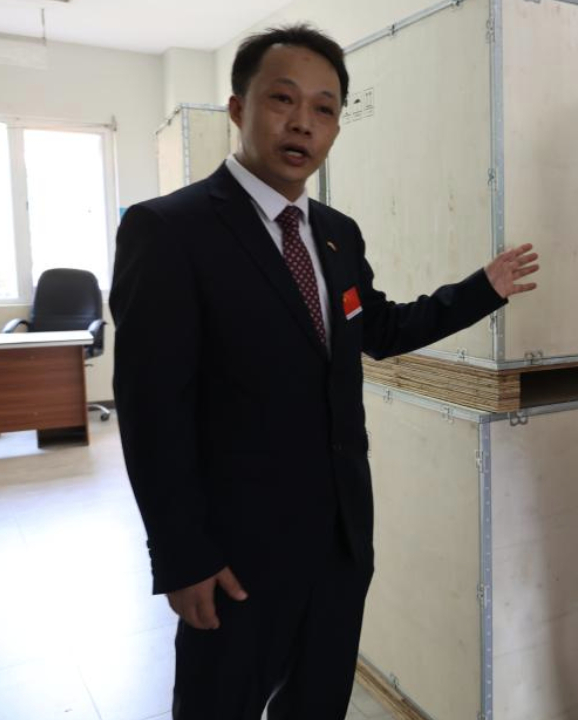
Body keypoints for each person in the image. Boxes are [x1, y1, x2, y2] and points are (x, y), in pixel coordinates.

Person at [110, 24, 539, 720]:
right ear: (238, 108)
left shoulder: (337, 233)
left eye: (325, 108)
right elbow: (151, 407)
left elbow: (380, 328)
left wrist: (481, 288)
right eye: (282, 100)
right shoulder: (171, 231)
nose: (302, 123)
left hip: (338, 542)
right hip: (234, 555)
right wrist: (181, 554)